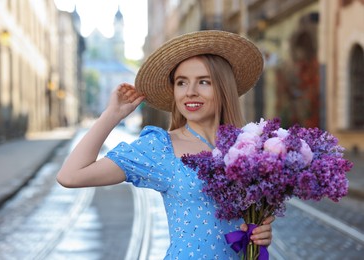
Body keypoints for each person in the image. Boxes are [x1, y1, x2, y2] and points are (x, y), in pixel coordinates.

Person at [57, 30, 274, 259]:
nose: (190, 92)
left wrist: (260, 232)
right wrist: (112, 115)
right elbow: (71, 176)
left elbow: (252, 216)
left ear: (223, 88)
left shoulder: (249, 146)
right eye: (181, 83)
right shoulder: (161, 148)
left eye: (203, 82)